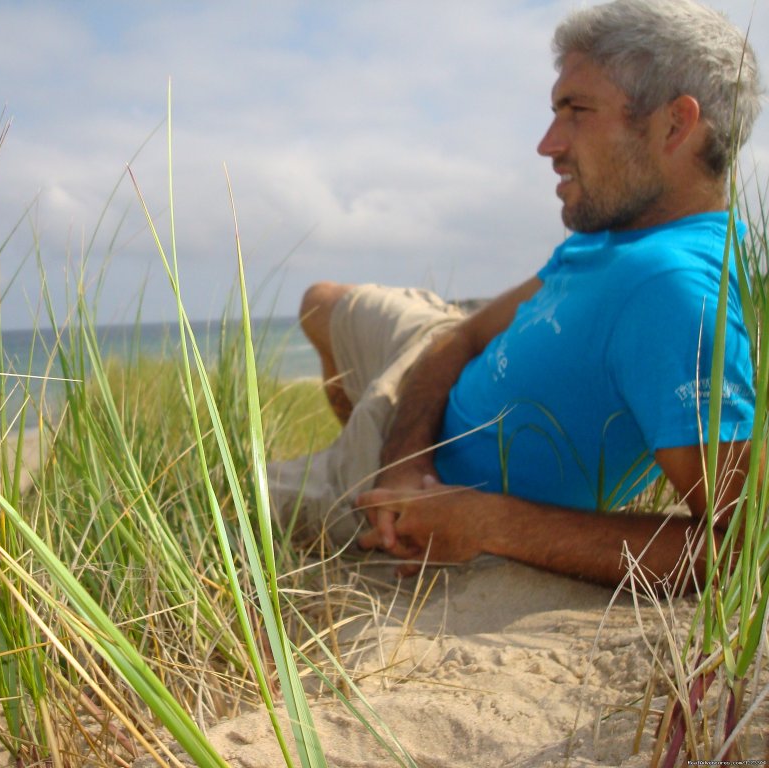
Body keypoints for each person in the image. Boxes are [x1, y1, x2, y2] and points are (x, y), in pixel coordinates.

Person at [271, 0, 763, 589]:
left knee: (224, 498)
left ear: (676, 124)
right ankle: (365, 433)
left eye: (576, 110)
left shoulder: (672, 293)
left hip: (414, 468)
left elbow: (741, 548)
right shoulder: (623, 231)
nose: (547, 144)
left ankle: (357, 457)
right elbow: (463, 334)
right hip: (427, 378)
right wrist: (406, 461)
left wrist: (485, 523)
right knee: (319, 302)